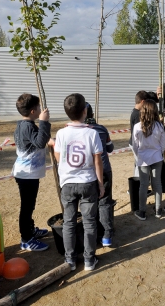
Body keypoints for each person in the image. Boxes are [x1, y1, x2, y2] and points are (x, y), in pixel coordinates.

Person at [54, 93, 104, 272]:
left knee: (69, 222)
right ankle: (89, 260)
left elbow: (59, 157)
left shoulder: (60, 133)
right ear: (85, 111)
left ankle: (70, 260)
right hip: (88, 182)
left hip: (67, 183)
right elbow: (97, 161)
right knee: (89, 221)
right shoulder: (92, 133)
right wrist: (100, 183)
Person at [12, 93, 52, 251]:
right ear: (33, 111)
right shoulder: (28, 126)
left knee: (30, 205)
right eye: (38, 107)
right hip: (26, 174)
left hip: (27, 173)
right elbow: (40, 142)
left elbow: (38, 139)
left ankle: (30, 230)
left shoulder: (24, 124)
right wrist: (44, 122)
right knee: (27, 206)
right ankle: (26, 239)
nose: (40, 109)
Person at [85, 102, 114, 247]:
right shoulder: (102, 129)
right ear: (92, 115)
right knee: (105, 202)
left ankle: (93, 234)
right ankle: (107, 235)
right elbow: (110, 148)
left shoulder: (75, 130)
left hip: (87, 173)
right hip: (104, 170)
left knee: (89, 203)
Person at [132, 99, 165, 220]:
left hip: (143, 159)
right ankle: (158, 210)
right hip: (157, 158)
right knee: (157, 184)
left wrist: (139, 155)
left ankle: (142, 211)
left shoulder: (137, 127)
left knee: (143, 185)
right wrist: (158, 153)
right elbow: (163, 144)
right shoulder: (159, 126)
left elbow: (135, 145)